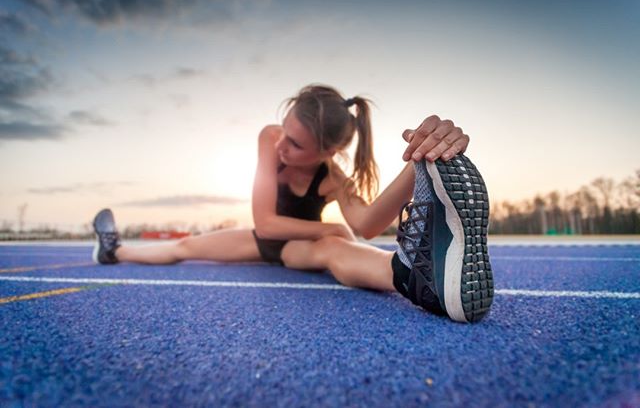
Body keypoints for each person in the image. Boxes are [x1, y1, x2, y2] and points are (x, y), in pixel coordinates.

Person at [92, 84, 493, 323]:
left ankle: (417, 279)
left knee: (337, 247)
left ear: (328, 151)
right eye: (284, 132)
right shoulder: (270, 139)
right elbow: (265, 223)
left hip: (297, 249)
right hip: (261, 238)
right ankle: (113, 250)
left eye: (296, 144)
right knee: (185, 247)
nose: (281, 145)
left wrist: (421, 160)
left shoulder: (333, 176)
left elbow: (367, 224)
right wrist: (329, 227)